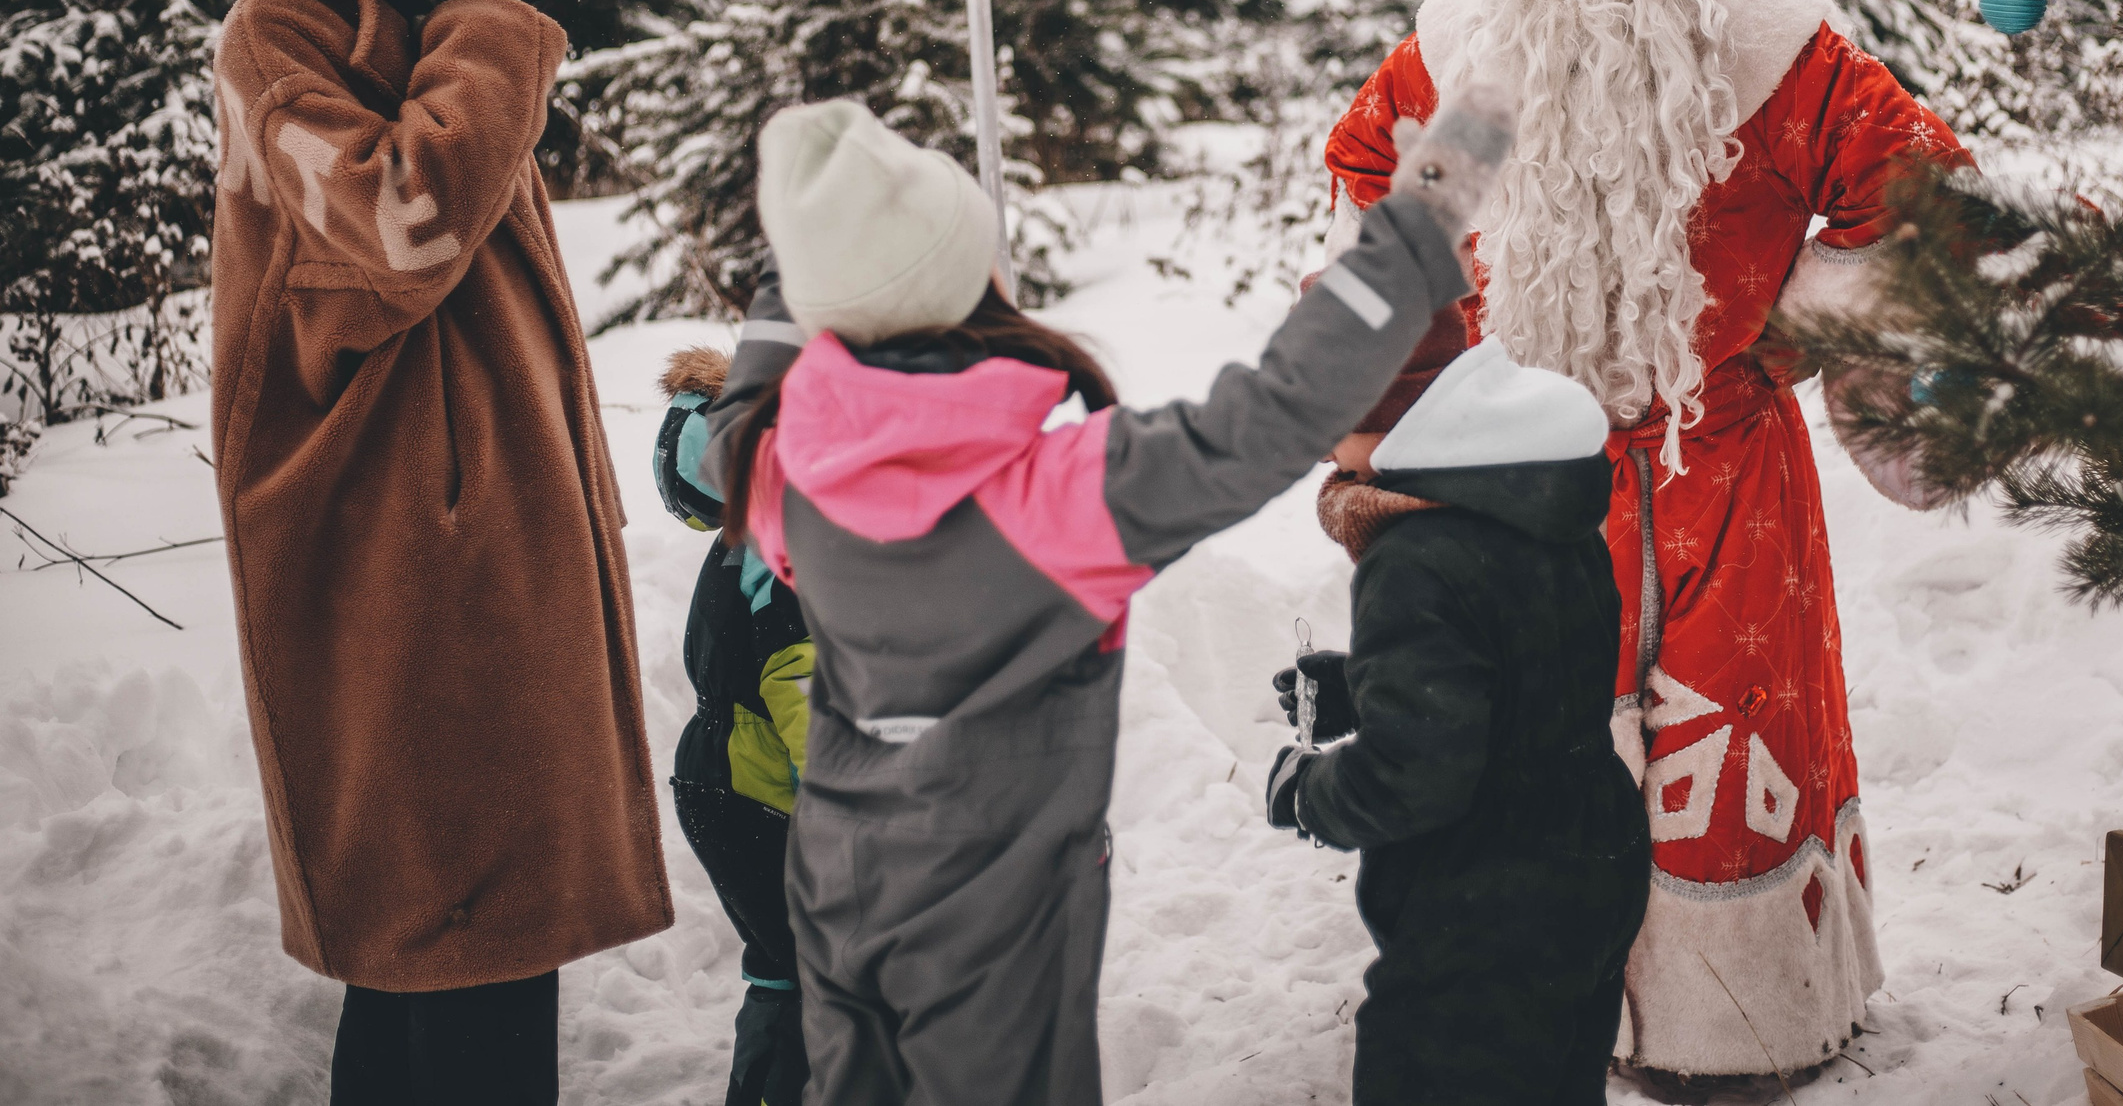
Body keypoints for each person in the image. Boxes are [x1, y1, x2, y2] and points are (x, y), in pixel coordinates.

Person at [1321, 0, 1971, 1083]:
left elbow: (1924, 192)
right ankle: (1554, 1009)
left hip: (1719, 470)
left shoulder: (1771, 47)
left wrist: (1797, 330)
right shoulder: (1466, 59)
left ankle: (1729, 1027)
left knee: (1726, 754)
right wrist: (1383, 435)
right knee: (1531, 762)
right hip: (1511, 491)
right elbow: (1394, 229)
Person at [699, 86, 1509, 1106]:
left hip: (841, 879)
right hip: (997, 910)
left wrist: (806, 255)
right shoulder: (1056, 498)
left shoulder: (791, 470)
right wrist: (1419, 225)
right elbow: (1275, 411)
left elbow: (738, 418)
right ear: (967, 278)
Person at [207, 0, 670, 1103]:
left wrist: (460, 22)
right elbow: (402, 226)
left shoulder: (398, 5)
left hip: (466, 571)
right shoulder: (276, 43)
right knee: (458, 956)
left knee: (446, 960)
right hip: (395, 573)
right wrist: (487, 36)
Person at [1265, 308, 1650, 1106]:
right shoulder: (1536, 497)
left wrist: (1308, 792)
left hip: (1485, 898)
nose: (1320, 451)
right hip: (1592, 855)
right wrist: (1361, 681)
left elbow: (1416, 776)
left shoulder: (1412, 555)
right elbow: (1524, 657)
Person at [653, 347, 815, 1106]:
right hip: (761, 795)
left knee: (788, 958)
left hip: (721, 783)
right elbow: (803, 678)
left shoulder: (751, 529)